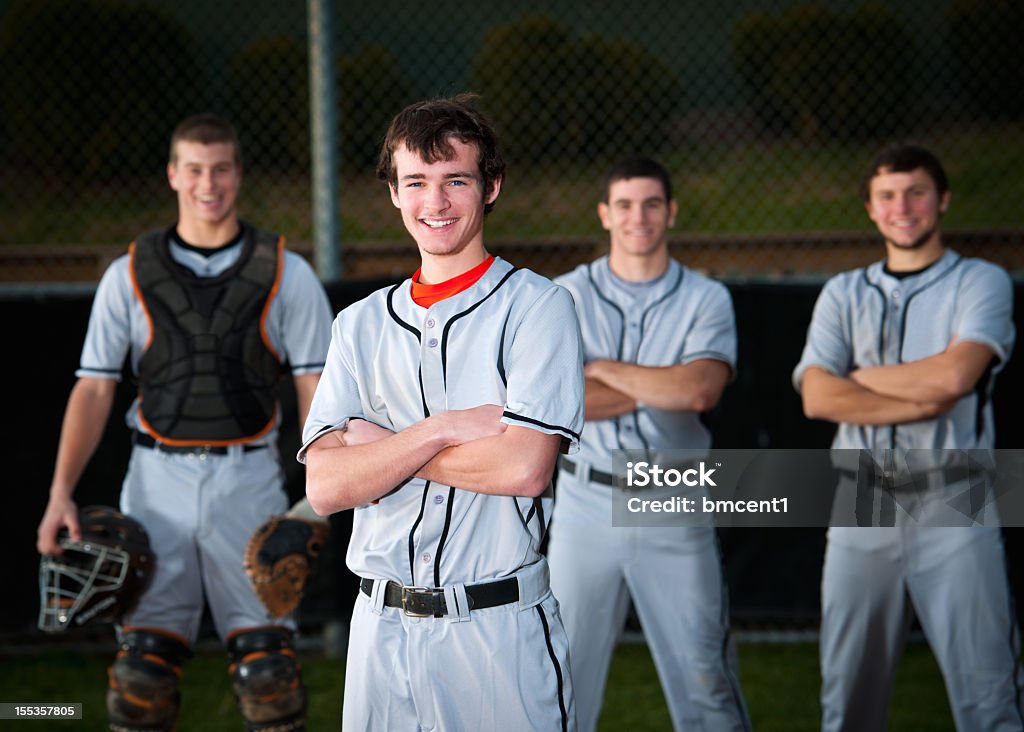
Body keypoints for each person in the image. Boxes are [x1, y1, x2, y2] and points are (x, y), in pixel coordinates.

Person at [36, 113, 334, 732]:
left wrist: (315, 499)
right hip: (155, 483)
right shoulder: (129, 274)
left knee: (269, 678)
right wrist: (60, 493)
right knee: (140, 681)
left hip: (247, 479)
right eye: (195, 168)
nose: (209, 183)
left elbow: (318, 389)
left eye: (221, 168)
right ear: (173, 174)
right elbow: (94, 388)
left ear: (239, 175)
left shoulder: (286, 272)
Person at [300, 94, 584, 731]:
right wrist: (439, 430)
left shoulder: (539, 308)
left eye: (456, 180)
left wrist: (384, 451)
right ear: (395, 194)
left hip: (495, 631)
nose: (437, 202)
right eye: (416, 182)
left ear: (491, 188)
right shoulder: (358, 324)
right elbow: (325, 486)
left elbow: (524, 468)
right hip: (379, 630)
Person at [793, 143, 1022, 731]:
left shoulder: (982, 280)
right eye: (888, 196)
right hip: (860, 497)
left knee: (989, 698)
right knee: (847, 702)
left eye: (917, 192)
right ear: (871, 209)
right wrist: (914, 388)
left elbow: (954, 377)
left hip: (957, 493)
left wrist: (858, 380)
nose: (903, 207)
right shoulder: (843, 292)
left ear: (942, 199)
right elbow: (817, 397)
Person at [547, 157, 751, 731]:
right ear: (605, 214)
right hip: (586, 502)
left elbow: (699, 391)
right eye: (626, 205)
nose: (639, 217)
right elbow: (560, 405)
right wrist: (662, 380)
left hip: (674, 496)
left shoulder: (706, 297)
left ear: (672, 212)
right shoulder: (562, 295)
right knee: (559, 677)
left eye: (652, 204)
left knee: (706, 678)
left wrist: (604, 370)